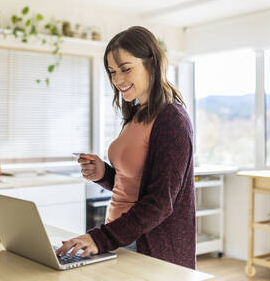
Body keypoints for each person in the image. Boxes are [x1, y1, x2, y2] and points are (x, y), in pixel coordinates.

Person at [55, 26, 196, 269]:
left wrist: (101, 237)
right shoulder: (137, 113)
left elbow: (160, 202)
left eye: (126, 69)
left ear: (152, 63)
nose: (118, 80)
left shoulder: (172, 119)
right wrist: (103, 174)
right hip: (123, 236)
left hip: (147, 247)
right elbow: (133, 186)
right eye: (112, 72)